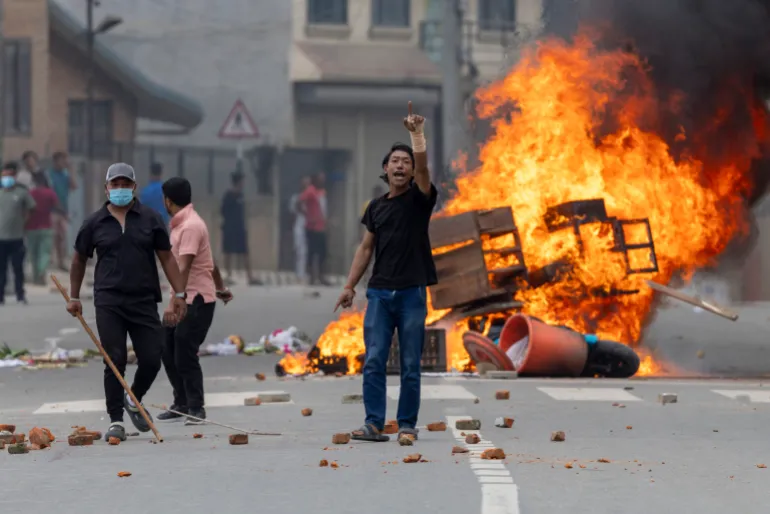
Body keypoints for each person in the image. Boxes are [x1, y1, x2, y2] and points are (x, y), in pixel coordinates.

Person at [335, 102, 438, 444]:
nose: (401, 165)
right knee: (375, 360)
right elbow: (366, 248)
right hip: (379, 293)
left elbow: (424, 171)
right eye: (395, 161)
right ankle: (373, 424)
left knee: (410, 364)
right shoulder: (376, 208)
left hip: (411, 293)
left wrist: (417, 136)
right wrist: (350, 286)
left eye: (406, 162)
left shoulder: (420, 200)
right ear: (385, 168)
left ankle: (406, 424)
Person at [66, 163, 187, 442]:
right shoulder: (94, 223)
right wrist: (74, 297)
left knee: (152, 358)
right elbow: (79, 260)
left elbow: (167, 257)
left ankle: (134, 399)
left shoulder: (150, 218)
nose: (120, 189)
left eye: (125, 184)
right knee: (115, 358)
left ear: (134, 187)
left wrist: (179, 295)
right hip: (108, 301)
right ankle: (116, 419)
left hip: (143, 299)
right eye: (115, 184)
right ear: (106, 188)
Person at [156, 177, 233, 425]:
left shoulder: (190, 226)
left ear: (168, 200)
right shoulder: (181, 225)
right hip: (185, 297)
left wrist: (175, 300)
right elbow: (211, 263)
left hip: (195, 300)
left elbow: (185, 266)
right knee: (166, 347)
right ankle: (181, 402)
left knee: (184, 350)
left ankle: (196, 407)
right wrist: (221, 288)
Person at [0, 162, 35, 305]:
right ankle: (0, 296)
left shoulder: (21, 193)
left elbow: (31, 208)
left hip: (17, 237)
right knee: (1, 269)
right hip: (1, 238)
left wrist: (24, 223)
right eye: (4, 176)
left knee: (17, 268)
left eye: (9, 176)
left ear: (14, 176)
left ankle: (20, 295)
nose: (6, 179)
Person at [220, 171, 259, 285]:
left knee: (245, 251)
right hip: (229, 227)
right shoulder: (228, 195)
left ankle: (250, 276)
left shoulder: (241, 195)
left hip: (240, 228)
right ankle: (228, 275)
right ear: (238, 182)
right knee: (228, 252)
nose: (243, 183)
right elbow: (223, 211)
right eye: (242, 181)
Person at [25, 173, 60, 285]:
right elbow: (57, 206)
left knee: (33, 254)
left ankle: (36, 277)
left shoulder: (30, 193)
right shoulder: (50, 193)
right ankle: (41, 271)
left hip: (30, 227)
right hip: (46, 226)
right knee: (45, 253)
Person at [47, 151, 76, 271]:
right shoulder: (49, 174)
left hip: (63, 209)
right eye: (62, 160)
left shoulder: (65, 174)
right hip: (51, 209)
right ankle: (50, 260)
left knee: (62, 236)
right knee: (52, 235)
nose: (64, 163)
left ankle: (61, 261)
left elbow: (74, 186)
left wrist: (71, 170)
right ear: (55, 161)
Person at [300, 173, 329, 286]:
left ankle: (321, 276)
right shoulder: (310, 190)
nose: (322, 181)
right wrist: (307, 215)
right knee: (312, 252)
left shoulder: (321, 192)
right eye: (320, 179)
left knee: (322, 252)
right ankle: (311, 277)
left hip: (321, 227)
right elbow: (299, 202)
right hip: (312, 227)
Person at [289, 176, 310, 284]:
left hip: (309, 227)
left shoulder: (312, 198)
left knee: (307, 251)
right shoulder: (296, 198)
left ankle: (305, 273)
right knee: (299, 251)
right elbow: (293, 215)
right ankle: (299, 274)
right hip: (298, 227)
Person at [139, 162, 170, 227]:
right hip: (163, 224)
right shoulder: (166, 190)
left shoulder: (146, 191)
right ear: (161, 173)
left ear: (150, 174)